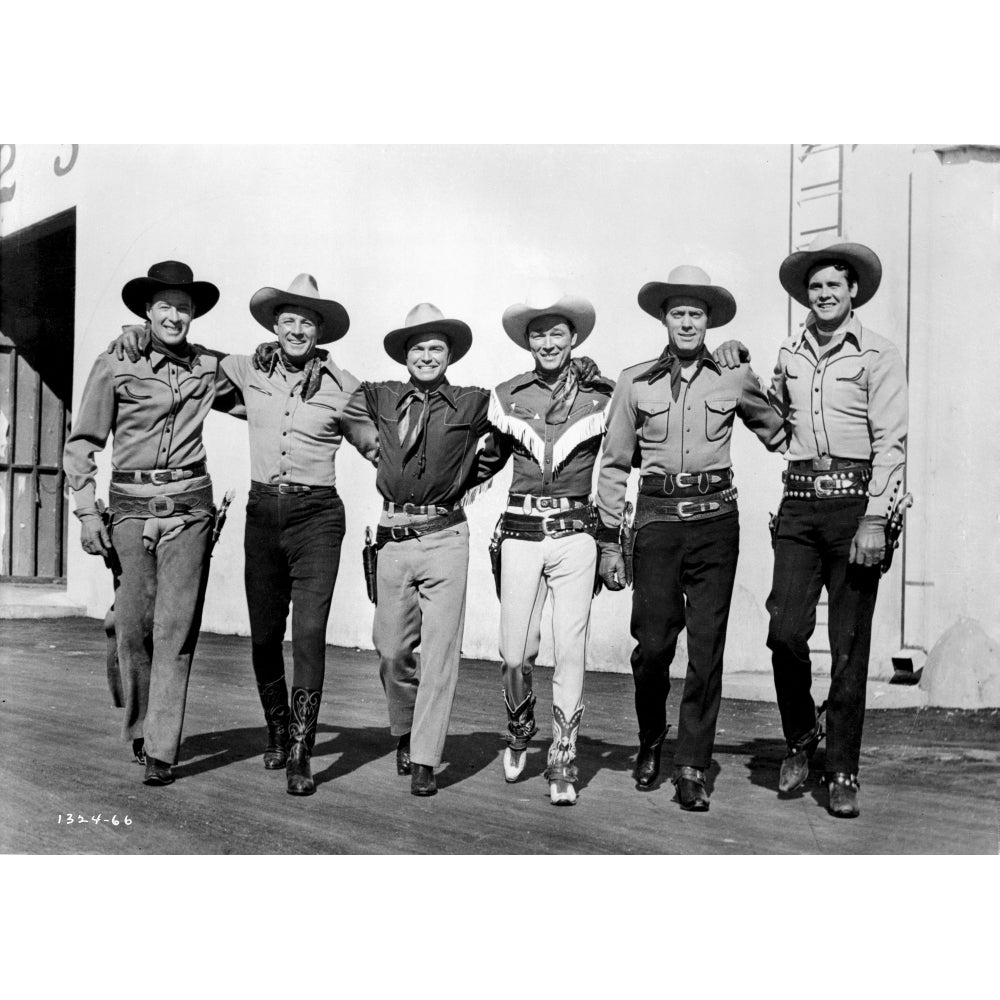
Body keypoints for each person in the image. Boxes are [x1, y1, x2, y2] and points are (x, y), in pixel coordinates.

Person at [111, 274, 360, 797]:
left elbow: (380, 447)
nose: (297, 329)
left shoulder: (345, 387)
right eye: (288, 319)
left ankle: (300, 751)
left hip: (318, 518)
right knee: (265, 635)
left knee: (309, 635)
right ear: (274, 324)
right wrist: (133, 336)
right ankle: (275, 725)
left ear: (321, 330)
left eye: (307, 321)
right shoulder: (244, 370)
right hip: (263, 514)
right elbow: (187, 356)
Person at [596, 266, 787, 810]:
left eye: (696, 314)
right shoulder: (634, 382)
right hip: (656, 524)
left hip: (715, 525)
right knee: (652, 647)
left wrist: (764, 368)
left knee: (707, 650)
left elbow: (779, 430)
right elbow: (612, 465)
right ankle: (652, 738)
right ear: (664, 319)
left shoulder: (732, 375)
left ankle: (692, 765)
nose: (687, 322)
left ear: (708, 321)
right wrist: (610, 539)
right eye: (678, 313)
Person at [64, 260, 241, 786]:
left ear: (194, 315)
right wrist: (86, 510)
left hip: (189, 509)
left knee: (174, 630)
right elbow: (83, 444)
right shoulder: (114, 364)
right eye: (165, 306)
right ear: (147, 310)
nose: (175, 316)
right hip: (128, 510)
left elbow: (262, 391)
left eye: (184, 308)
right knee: (132, 628)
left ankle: (160, 745)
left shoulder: (209, 367)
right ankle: (137, 714)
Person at [764, 234, 907, 818]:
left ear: (853, 293)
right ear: (806, 295)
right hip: (798, 504)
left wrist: (876, 516)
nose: (824, 294)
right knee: (784, 632)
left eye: (834, 286)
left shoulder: (878, 354)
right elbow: (771, 425)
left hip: (856, 507)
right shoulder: (788, 355)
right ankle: (802, 737)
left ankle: (842, 768)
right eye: (815, 286)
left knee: (848, 645)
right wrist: (738, 370)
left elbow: (891, 442)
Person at [340, 303, 494, 797]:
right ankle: (404, 729)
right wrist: (372, 448)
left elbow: (515, 421)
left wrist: (473, 477)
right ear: (405, 356)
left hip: (446, 536)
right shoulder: (379, 394)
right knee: (391, 649)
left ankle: (426, 756)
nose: (427, 356)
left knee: (441, 653)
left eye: (436, 349)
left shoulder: (472, 401)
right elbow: (341, 407)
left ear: (449, 356)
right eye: (419, 348)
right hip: (392, 536)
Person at [484, 281, 614, 805]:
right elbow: (484, 461)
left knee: (571, 650)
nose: (547, 342)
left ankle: (563, 753)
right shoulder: (507, 395)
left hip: (576, 533)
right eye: (538, 334)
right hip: (519, 530)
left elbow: (631, 447)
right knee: (514, 652)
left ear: (573, 337)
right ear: (527, 342)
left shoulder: (602, 395)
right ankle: (520, 728)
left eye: (556, 333)